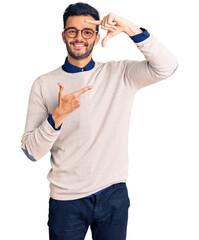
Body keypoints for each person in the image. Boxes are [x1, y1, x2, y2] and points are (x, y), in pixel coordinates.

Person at [20, 2, 178, 240]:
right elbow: (31, 151)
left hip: (113, 193)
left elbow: (167, 67)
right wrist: (58, 115)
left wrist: (128, 28)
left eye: (87, 31)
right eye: (72, 31)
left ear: (95, 36)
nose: (79, 38)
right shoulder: (43, 84)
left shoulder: (120, 73)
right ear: (63, 35)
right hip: (66, 201)